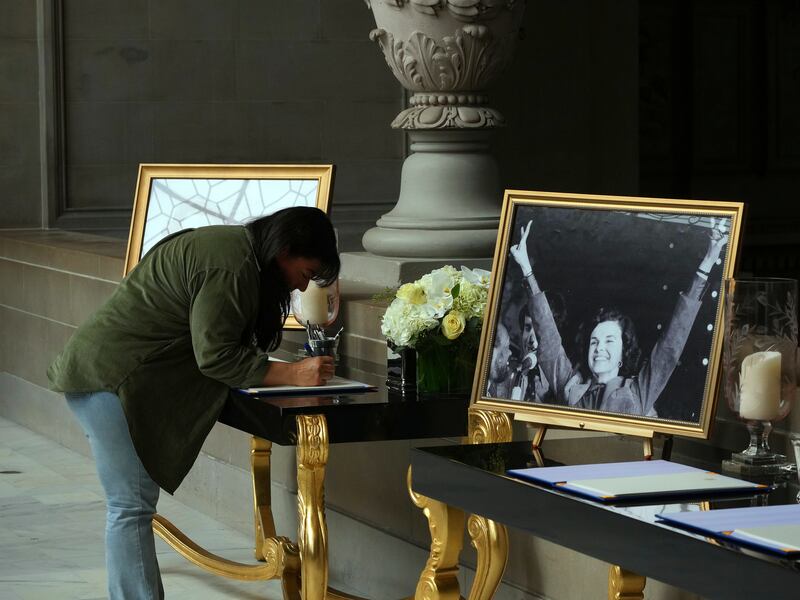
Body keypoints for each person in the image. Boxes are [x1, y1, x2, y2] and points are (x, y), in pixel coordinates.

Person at [47, 206, 340, 599]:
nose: (303, 289)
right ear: (284, 251)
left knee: (131, 507)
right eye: (304, 275)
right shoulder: (232, 267)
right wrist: (294, 373)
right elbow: (215, 355)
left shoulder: (233, 249)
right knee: (130, 508)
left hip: (107, 373)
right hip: (111, 380)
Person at [509, 217, 729, 417]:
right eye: (594, 341)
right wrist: (526, 269)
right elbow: (549, 341)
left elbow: (670, 346)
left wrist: (708, 262)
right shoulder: (569, 386)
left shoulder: (638, 392)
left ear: (624, 352)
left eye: (609, 340)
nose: (599, 347)